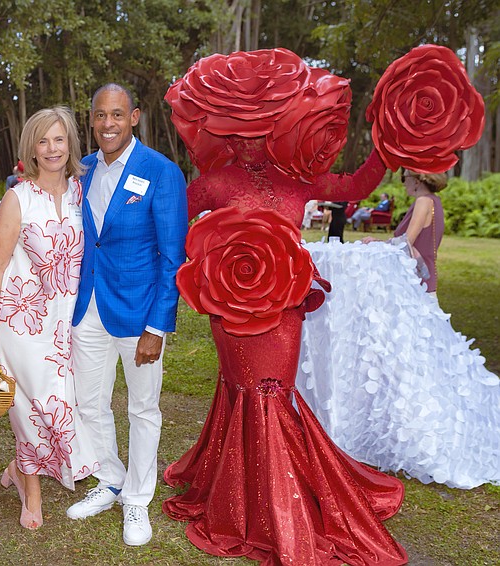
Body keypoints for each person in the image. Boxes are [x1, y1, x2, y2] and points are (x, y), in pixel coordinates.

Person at [161, 49, 408, 565]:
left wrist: (388, 140)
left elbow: (359, 186)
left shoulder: (299, 181)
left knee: (273, 393)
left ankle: (279, 504)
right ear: (225, 131)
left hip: (284, 312)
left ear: (279, 125)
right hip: (230, 310)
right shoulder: (214, 183)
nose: (250, 141)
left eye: (262, 128)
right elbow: (172, 229)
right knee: (241, 390)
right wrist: (206, 259)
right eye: (240, 131)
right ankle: (239, 498)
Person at [297, 169, 500, 490]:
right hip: (424, 278)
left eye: (406, 177)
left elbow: (406, 244)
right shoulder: (432, 200)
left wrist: (376, 243)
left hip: (420, 283)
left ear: (417, 179)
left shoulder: (423, 201)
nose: (403, 182)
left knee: (422, 355)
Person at [64, 84, 188, 547]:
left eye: (117, 114)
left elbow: (172, 258)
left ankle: (137, 499)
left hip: (140, 316)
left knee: (143, 409)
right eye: (100, 115)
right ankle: (112, 480)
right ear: (91, 120)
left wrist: (158, 326)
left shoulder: (161, 171)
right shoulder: (84, 170)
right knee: (89, 404)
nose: (108, 124)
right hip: (88, 310)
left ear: (134, 117)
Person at [0, 106, 99, 531]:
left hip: (68, 324)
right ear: (31, 147)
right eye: (43, 140)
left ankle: (18, 466)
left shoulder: (85, 193)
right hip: (21, 322)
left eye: (59, 139)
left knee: (63, 405)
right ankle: (32, 492)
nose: (52, 149)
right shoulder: (18, 198)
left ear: (71, 145)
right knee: (31, 409)